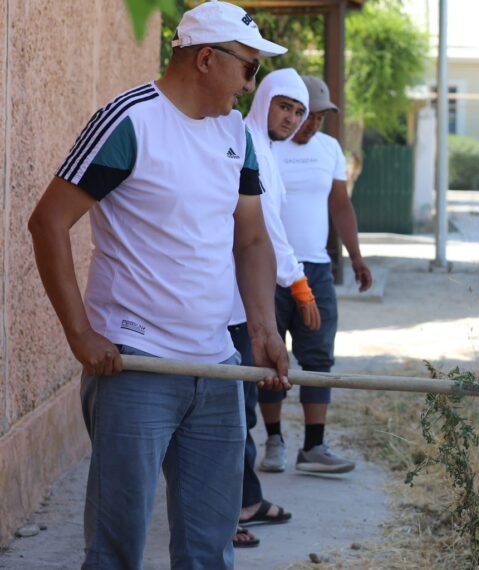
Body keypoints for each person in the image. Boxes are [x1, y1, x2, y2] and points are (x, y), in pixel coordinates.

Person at [26, 2, 291, 567]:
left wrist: (264, 330)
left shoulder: (234, 138)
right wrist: (80, 334)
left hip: (217, 365)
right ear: (204, 59)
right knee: (117, 546)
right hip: (136, 366)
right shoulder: (128, 121)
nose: (251, 84)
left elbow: (251, 241)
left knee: (209, 548)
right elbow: (48, 222)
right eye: (249, 68)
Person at [258, 75, 373, 474]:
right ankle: (273, 441)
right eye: (306, 114)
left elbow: (340, 206)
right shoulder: (268, 146)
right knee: (268, 358)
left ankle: (314, 448)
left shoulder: (329, 150)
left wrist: (356, 257)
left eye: (320, 117)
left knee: (319, 358)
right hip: (269, 271)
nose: (311, 124)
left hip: (318, 270)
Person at [229, 67, 316, 547]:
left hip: (243, 302)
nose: (292, 118)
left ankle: (245, 499)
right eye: (285, 106)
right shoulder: (246, 141)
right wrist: (298, 281)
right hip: (226, 301)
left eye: (299, 112)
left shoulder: (268, 149)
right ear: (264, 100)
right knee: (229, 411)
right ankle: (229, 512)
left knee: (239, 406)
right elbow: (265, 231)